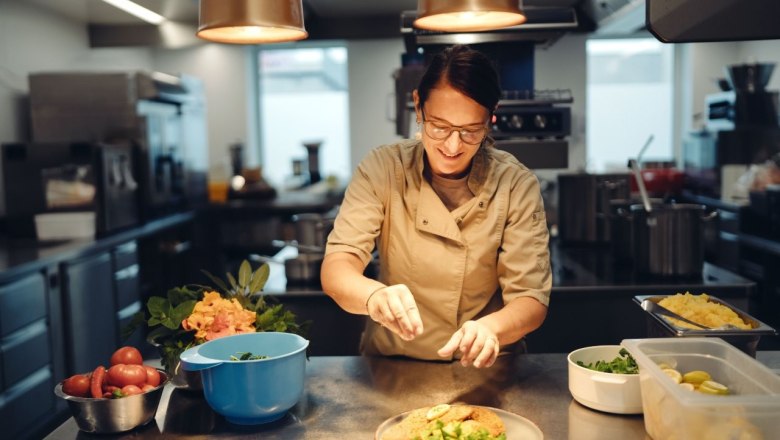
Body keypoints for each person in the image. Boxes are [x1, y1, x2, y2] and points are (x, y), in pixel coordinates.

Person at [321, 44, 551, 368]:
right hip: (394, 367)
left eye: (471, 131)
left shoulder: (515, 183)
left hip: (484, 369)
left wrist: (491, 329)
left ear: (491, 117)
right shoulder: (384, 169)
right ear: (418, 106)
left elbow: (531, 300)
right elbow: (337, 269)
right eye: (439, 127)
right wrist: (372, 296)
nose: (453, 146)